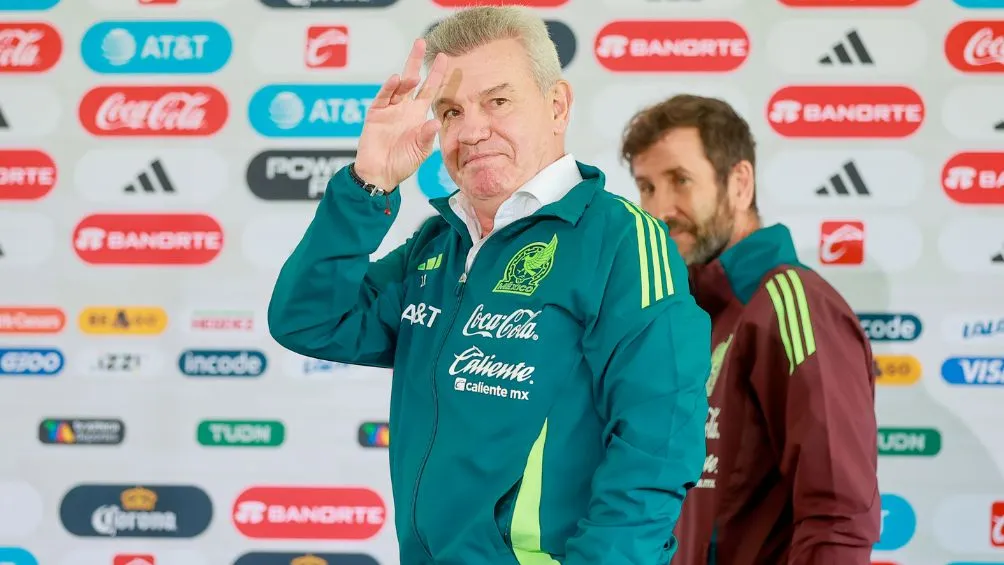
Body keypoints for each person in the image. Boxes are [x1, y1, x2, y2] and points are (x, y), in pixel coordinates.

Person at [268, 7, 712, 565]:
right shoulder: (438, 244)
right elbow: (309, 321)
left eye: (498, 101)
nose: (472, 130)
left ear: (557, 105)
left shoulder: (621, 240)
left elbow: (658, 446)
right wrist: (367, 184)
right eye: (451, 110)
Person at [620, 94, 881, 565]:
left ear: (739, 183)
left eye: (680, 181)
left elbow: (837, 519)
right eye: (647, 187)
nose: (660, 209)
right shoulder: (683, 315)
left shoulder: (793, 304)